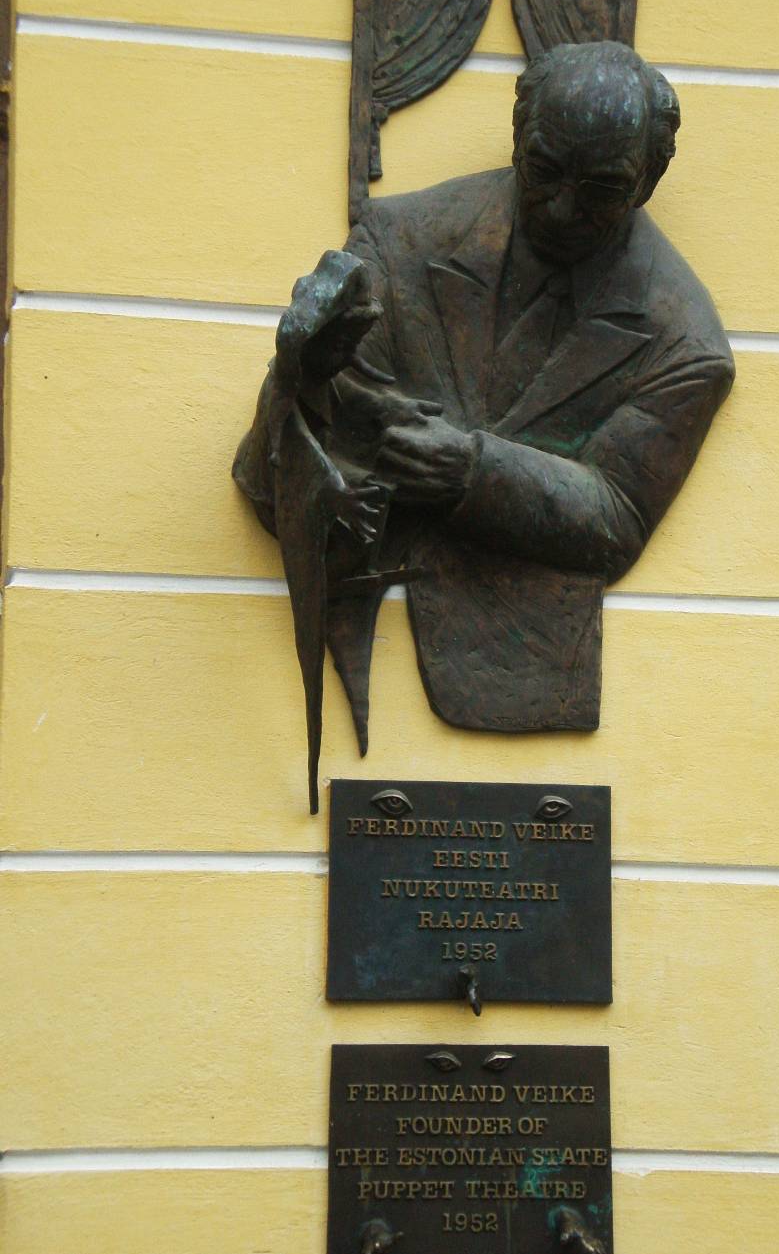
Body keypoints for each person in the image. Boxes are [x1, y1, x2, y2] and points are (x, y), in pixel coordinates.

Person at [234, 39, 734, 773]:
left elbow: (619, 516)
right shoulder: (399, 241)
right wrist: (297, 373)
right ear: (518, 139)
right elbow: (293, 468)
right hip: (346, 634)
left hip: (514, 664)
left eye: (601, 188)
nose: (563, 208)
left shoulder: (683, 339)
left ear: (648, 181)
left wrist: (473, 472)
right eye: (544, 171)